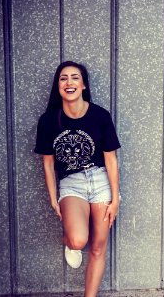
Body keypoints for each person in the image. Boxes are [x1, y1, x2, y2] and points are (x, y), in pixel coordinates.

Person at [34, 61, 121, 297]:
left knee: (98, 247)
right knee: (78, 240)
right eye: (63, 78)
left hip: (100, 180)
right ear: (58, 86)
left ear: (83, 85)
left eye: (75, 77)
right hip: (71, 183)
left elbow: (111, 159)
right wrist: (54, 198)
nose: (69, 82)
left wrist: (115, 198)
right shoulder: (49, 121)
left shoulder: (100, 116)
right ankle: (69, 242)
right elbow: (48, 162)